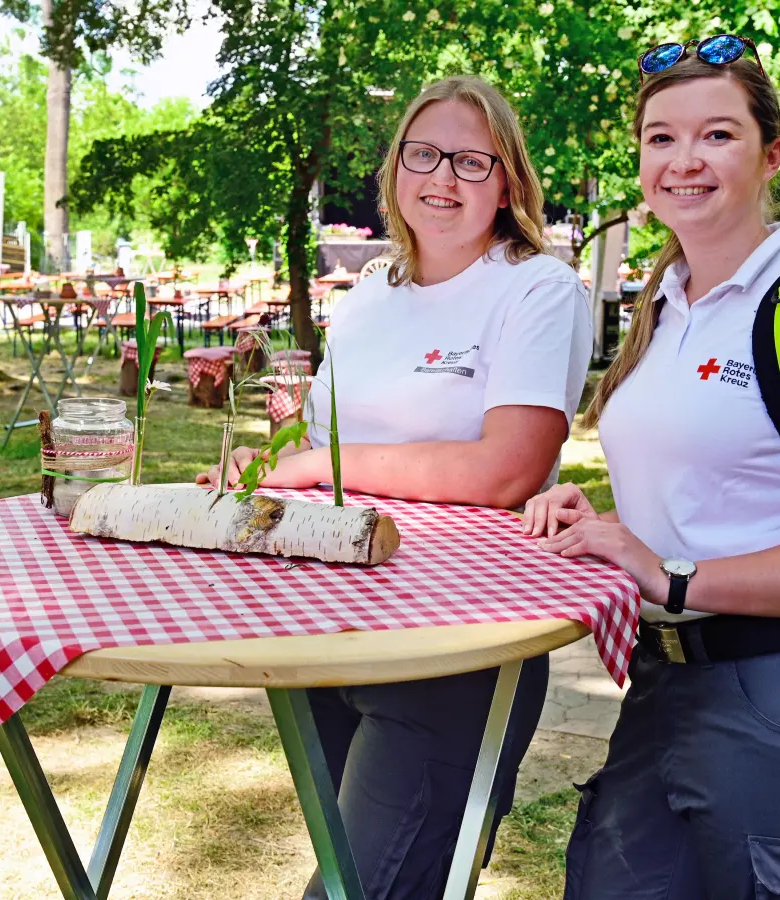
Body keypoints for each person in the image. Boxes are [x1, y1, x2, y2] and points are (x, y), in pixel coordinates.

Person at [521, 35, 780, 899]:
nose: (684, 159)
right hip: (666, 679)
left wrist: (667, 570)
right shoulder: (664, 305)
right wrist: (609, 523)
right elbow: (723, 487)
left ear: (771, 153)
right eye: (661, 138)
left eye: (717, 135)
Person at [196, 76, 593, 897]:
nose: (442, 177)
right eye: (424, 154)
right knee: (378, 873)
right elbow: (324, 436)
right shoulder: (374, 290)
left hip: (458, 635)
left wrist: (315, 469)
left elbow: (508, 469)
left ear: (508, 180)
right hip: (326, 618)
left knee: (364, 887)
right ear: (395, 169)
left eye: (471, 161)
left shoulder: (538, 287)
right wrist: (264, 467)